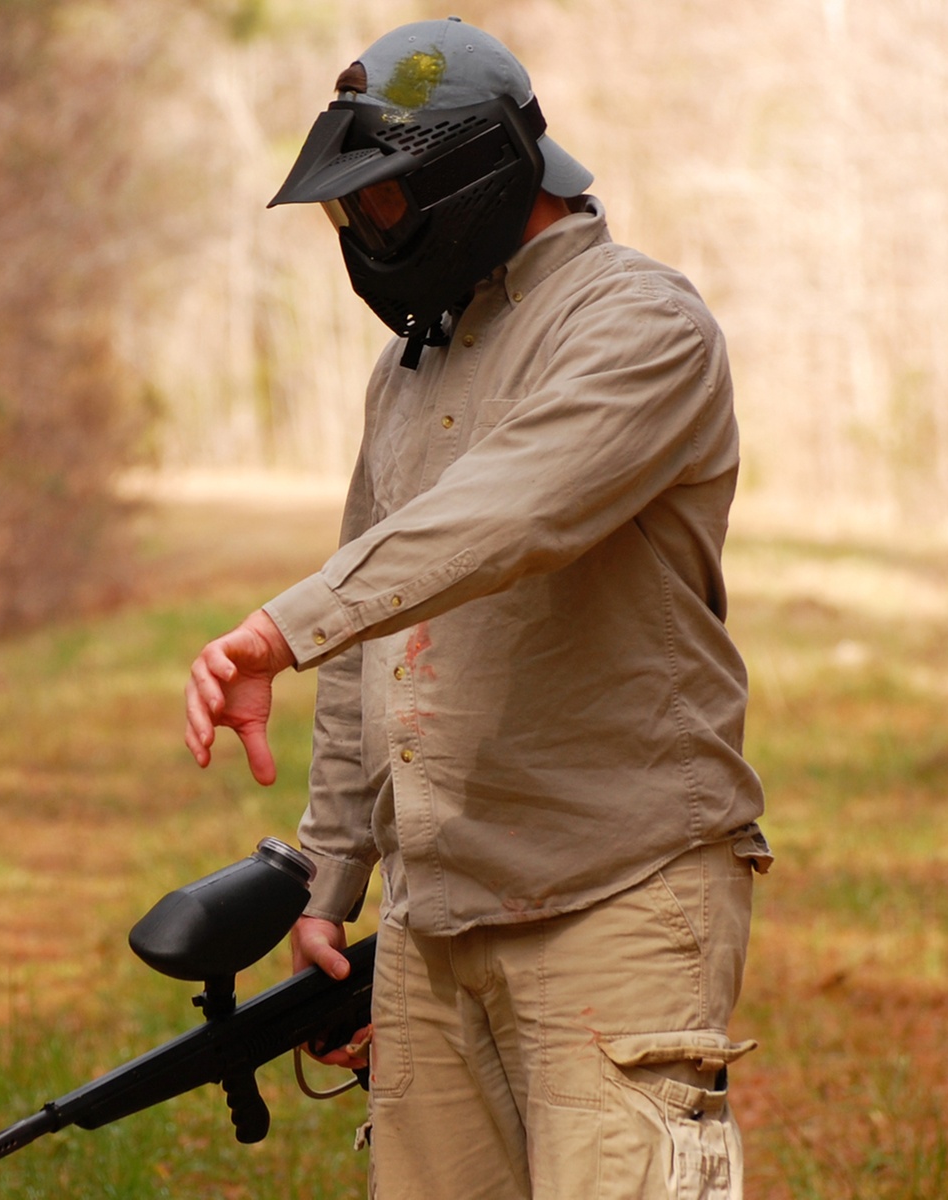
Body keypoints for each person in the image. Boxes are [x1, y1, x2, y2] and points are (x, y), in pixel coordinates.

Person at [182, 19, 772, 1199]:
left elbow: (510, 513)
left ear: (474, 175)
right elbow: (369, 640)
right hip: (435, 913)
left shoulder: (641, 326)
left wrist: (283, 626)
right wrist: (330, 876)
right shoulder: (412, 368)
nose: (364, 232)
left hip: (615, 890)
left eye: (380, 200)